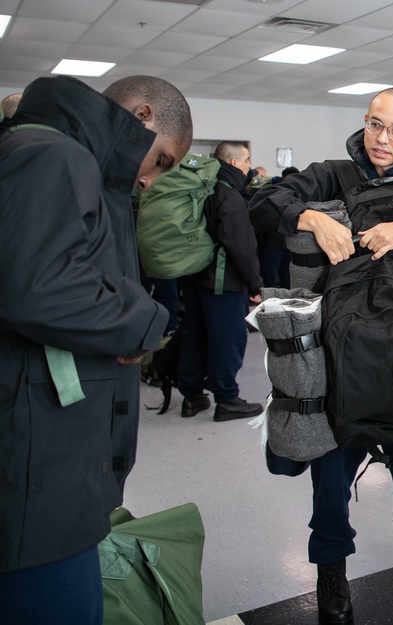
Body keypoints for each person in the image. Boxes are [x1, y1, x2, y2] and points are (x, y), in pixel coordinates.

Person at [249, 87, 393, 625]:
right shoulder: (330, 175)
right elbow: (262, 203)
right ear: (365, 122)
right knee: (331, 476)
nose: (383, 138)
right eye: (376, 124)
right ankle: (330, 573)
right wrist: (310, 216)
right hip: (337, 358)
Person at [0, 74, 191, 625]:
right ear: (143, 117)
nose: (152, 181)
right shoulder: (53, 156)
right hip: (40, 459)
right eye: (163, 162)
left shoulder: (51, 153)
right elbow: (35, 286)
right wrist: (143, 320)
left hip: (46, 445)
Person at [177, 141, 264, 422]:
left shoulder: (201, 189)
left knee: (196, 335)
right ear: (235, 162)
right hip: (221, 281)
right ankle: (227, 400)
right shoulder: (229, 196)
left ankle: (191, 396)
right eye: (247, 160)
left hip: (194, 276)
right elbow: (240, 245)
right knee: (228, 339)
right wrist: (255, 284)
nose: (250, 165)